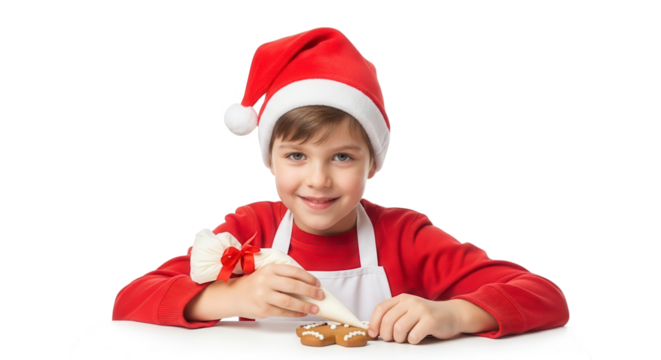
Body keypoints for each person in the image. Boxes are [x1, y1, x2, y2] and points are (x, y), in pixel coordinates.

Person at [111, 26, 569, 344]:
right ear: (269, 159)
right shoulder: (250, 228)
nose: (318, 179)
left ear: (373, 163)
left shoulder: (406, 236)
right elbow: (130, 299)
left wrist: (452, 315)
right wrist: (230, 296)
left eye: (343, 157)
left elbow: (545, 297)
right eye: (296, 155)